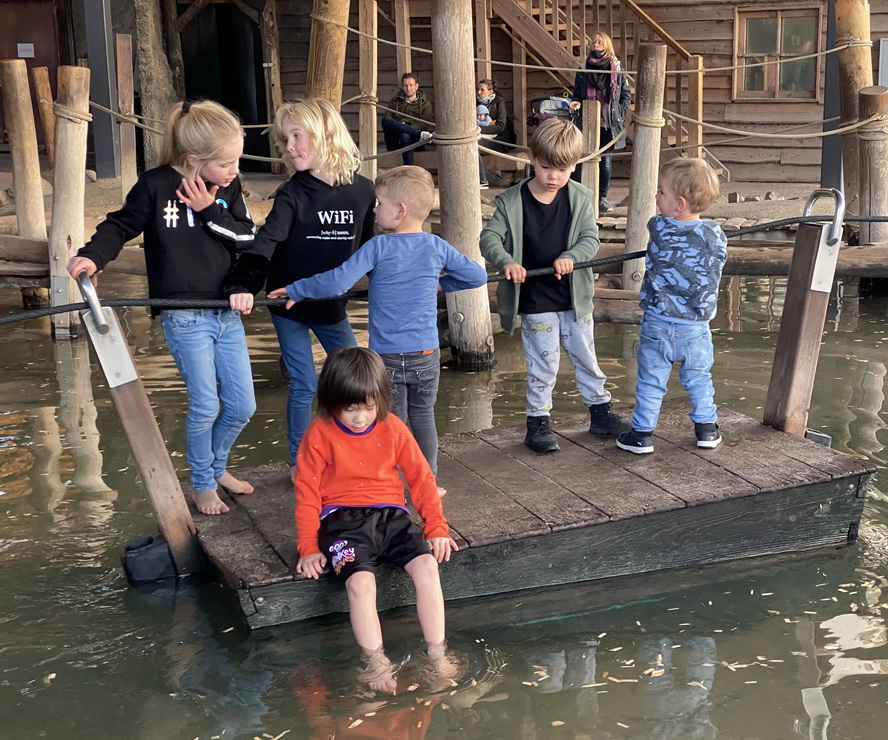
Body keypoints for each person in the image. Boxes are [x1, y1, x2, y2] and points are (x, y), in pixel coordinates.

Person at [67, 100, 256, 515]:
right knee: (206, 404)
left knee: (243, 405)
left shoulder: (227, 190)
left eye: (237, 162)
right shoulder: (154, 186)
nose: (234, 171)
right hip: (184, 317)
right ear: (193, 160)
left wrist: (208, 210)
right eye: (227, 163)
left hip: (227, 313)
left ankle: (217, 466)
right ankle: (203, 483)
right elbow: (119, 224)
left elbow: (247, 238)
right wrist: (92, 256)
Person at [268, 166, 487, 495]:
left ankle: (393, 482)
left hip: (385, 357)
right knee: (424, 415)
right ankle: (427, 482)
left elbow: (337, 281)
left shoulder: (377, 248)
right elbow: (476, 277)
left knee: (390, 423)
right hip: (426, 354)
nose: (373, 209)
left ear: (399, 211)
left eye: (379, 203)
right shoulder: (435, 246)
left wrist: (297, 289)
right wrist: (440, 284)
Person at [291, 346, 458, 691]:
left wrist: (436, 527)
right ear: (331, 400)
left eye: (368, 408)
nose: (360, 418)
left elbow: (421, 479)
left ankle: (437, 653)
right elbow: (307, 496)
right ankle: (376, 661)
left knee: (427, 568)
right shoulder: (318, 434)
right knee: (361, 584)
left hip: (392, 515)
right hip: (341, 522)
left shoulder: (393, 427)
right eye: (350, 409)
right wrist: (308, 546)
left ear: (381, 400)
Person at [226, 97, 376, 476]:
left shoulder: (362, 191)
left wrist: (397, 286)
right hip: (286, 302)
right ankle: (298, 459)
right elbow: (267, 241)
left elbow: (372, 251)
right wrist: (245, 282)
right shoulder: (293, 193)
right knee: (305, 383)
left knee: (358, 381)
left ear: (325, 135)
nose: (288, 148)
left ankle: (358, 452)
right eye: (284, 140)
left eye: (296, 136)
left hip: (331, 306)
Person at [480, 118, 628, 453]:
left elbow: (591, 239)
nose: (553, 177)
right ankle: (538, 423)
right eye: (546, 167)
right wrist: (506, 262)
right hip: (536, 300)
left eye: (562, 170)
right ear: (532, 159)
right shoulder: (510, 202)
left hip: (574, 297)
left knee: (586, 356)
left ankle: (600, 413)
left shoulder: (580, 198)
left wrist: (572, 256)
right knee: (543, 363)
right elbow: (489, 238)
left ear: (574, 166)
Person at [616, 157, 727, 455]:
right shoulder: (714, 233)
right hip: (695, 328)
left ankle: (642, 435)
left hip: (657, 323)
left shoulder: (659, 228)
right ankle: (706, 429)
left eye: (661, 192)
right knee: (699, 378)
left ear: (679, 204)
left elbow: (657, 226)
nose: (656, 197)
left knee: (651, 382)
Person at [569, 32, 632, 213]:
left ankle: (601, 198)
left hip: (608, 123)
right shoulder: (583, 69)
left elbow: (626, 96)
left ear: (607, 46)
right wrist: (575, 104)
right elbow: (577, 95)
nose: (595, 45)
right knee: (584, 159)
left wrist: (619, 111)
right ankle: (584, 197)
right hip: (587, 121)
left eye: (600, 42)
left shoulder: (617, 69)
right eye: (594, 42)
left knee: (605, 161)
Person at [382, 72, 434, 166]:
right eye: (406, 85)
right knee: (386, 120)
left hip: (414, 142)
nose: (408, 88)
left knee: (405, 135)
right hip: (395, 141)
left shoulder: (425, 104)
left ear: (417, 86)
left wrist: (407, 128)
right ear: (402, 87)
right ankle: (418, 134)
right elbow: (387, 119)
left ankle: (408, 167)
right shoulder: (395, 101)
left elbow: (424, 124)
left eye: (411, 85)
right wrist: (401, 126)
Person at [476, 78, 515, 189]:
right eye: (478, 89)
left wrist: (479, 129)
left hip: (499, 140)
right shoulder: (476, 103)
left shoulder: (499, 103)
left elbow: (501, 127)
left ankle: (482, 181)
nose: (479, 92)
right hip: (481, 137)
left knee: (473, 148)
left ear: (490, 92)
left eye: (482, 90)